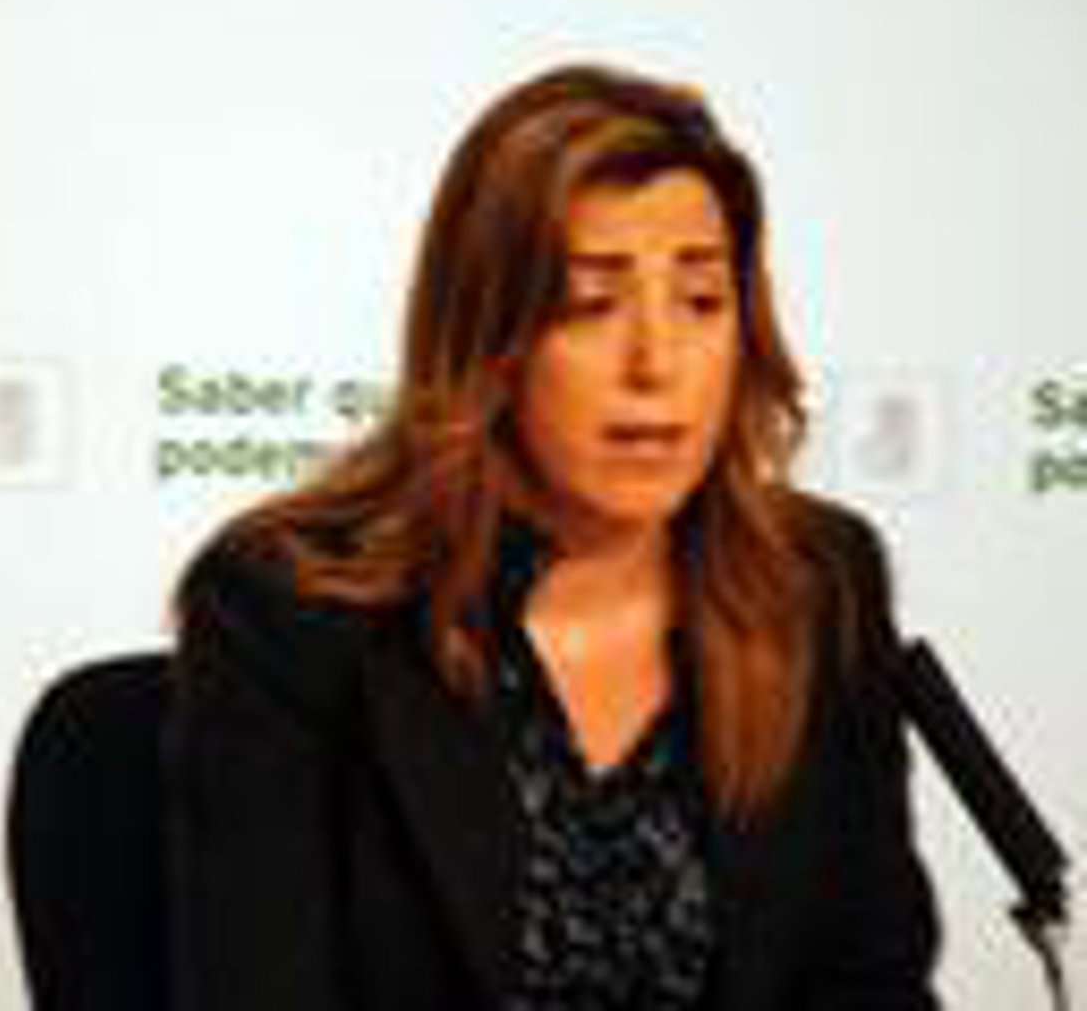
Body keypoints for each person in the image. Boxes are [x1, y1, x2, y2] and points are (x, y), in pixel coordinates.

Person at [165, 63, 942, 1010]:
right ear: (486, 336)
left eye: (702, 301)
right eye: (589, 304)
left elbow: (868, 981)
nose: (656, 362)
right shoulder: (286, 607)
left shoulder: (817, 582)